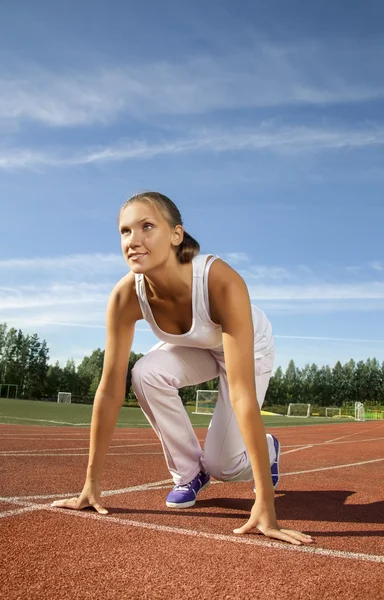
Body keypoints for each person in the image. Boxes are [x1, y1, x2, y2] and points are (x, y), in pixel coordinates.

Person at [52, 191, 313, 546]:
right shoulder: (125, 295)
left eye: (147, 227)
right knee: (145, 373)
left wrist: (264, 504)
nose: (134, 241)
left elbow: (241, 394)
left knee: (224, 466)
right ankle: (189, 473)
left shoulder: (219, 281)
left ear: (176, 235)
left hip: (247, 348)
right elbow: (110, 389)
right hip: (197, 346)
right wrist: (90, 485)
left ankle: (267, 451)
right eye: (125, 231)